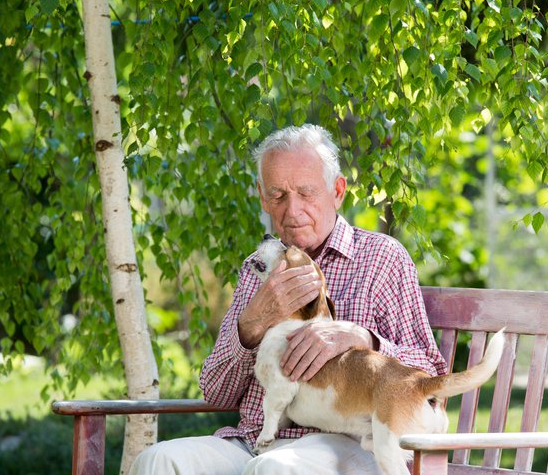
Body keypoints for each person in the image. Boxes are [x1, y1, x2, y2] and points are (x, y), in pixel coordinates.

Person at [129, 124, 447, 475]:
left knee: (274, 469)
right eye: (278, 195)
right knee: (157, 460)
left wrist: (365, 339)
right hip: (252, 440)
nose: (291, 210)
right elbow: (216, 394)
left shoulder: (381, 257)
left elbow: (431, 375)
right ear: (262, 197)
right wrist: (251, 326)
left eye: (306, 193)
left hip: (345, 442)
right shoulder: (259, 268)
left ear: (337, 191)